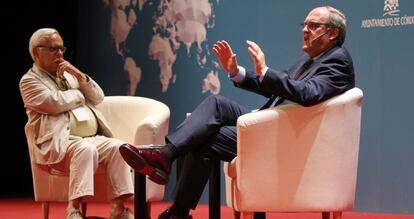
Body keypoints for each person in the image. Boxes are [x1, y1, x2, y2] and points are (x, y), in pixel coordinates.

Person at [119, 5, 355, 219]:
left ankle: (173, 192)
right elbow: (280, 90)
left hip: (286, 139)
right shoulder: (309, 60)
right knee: (217, 104)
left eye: (313, 26)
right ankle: (167, 161)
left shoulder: (337, 62)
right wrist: (237, 72)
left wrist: (265, 70)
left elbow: (307, 93)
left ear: (332, 33)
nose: (305, 30)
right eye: (304, 24)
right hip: (271, 126)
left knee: (204, 138)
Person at [19, 28, 135, 219]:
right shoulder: (29, 81)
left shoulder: (68, 75)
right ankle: (73, 210)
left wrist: (79, 75)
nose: (59, 53)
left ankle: (118, 208)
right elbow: (54, 103)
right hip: (59, 142)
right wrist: (79, 95)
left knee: (120, 147)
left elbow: (98, 97)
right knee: (85, 150)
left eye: (61, 48)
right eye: (52, 49)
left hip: (91, 138)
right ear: (36, 52)